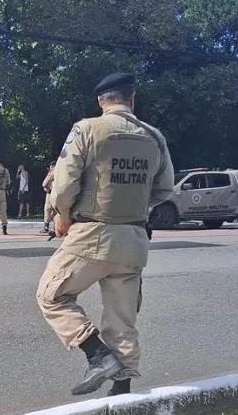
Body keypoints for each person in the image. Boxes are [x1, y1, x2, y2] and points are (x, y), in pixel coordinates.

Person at [36, 72, 174, 397]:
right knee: (122, 318)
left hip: (91, 234)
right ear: (132, 98)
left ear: (101, 101)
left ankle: (97, 355)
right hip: (134, 240)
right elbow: (164, 189)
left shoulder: (87, 129)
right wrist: (134, 209)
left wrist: (64, 216)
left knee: (51, 295)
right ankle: (121, 392)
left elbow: (65, 184)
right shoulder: (154, 137)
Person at [41, 161, 58, 234]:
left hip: (51, 193)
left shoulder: (52, 172)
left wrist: (46, 187)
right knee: (56, 211)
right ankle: (55, 228)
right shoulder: (62, 171)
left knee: (47, 210)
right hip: (59, 193)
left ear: (52, 166)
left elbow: (44, 183)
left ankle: (46, 227)